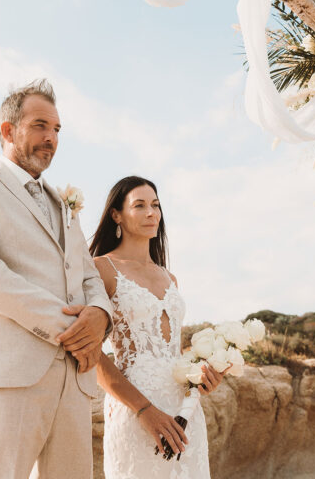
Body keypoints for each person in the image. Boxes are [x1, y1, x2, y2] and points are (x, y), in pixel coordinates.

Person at [0, 79, 113, 479]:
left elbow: (89, 277)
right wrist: (71, 326)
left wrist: (100, 318)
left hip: (73, 380)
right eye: (40, 126)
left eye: (56, 130)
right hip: (6, 373)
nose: (51, 138)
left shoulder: (65, 204)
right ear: (7, 130)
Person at [90, 176, 225, 479]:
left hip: (185, 413)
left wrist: (201, 377)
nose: (151, 213)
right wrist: (144, 411)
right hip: (136, 410)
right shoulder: (102, 269)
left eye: (155, 205)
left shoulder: (169, 278)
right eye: (139, 206)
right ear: (116, 215)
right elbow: (92, 354)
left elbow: (173, 352)